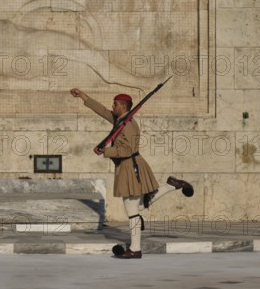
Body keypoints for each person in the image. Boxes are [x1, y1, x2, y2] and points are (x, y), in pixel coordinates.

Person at [70, 88, 193, 259]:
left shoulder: (129, 126)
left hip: (130, 167)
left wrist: (106, 151)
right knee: (137, 206)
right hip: (126, 167)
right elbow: (102, 111)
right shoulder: (119, 120)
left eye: (115, 104)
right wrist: (83, 97)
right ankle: (170, 185)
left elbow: (128, 149)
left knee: (132, 210)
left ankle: (135, 249)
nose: (112, 107)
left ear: (122, 106)